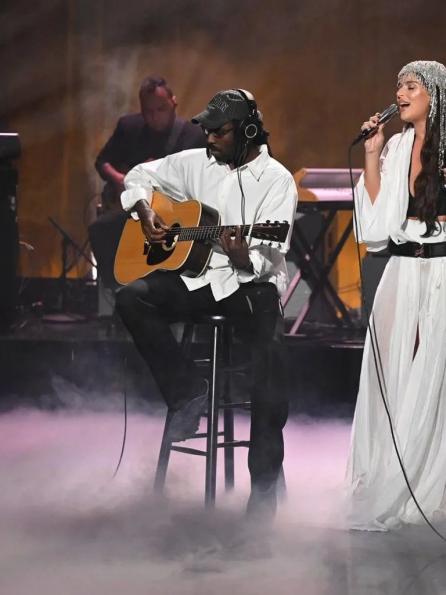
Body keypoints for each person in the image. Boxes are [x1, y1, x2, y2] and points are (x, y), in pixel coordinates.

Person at [114, 88, 297, 520]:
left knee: (270, 366)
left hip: (251, 285)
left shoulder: (277, 180)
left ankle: (263, 492)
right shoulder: (195, 162)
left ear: (247, 132)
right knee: (131, 298)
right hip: (197, 278)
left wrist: (241, 257)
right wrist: (144, 210)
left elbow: (266, 256)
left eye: (219, 132)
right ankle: (187, 391)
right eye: (208, 131)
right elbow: (138, 174)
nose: (210, 139)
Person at [346, 60, 446, 531]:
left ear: (435, 94)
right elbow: (377, 223)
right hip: (404, 269)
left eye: (411, 86)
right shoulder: (396, 145)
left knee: (441, 374)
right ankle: (389, 471)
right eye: (398, 85)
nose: (400, 93)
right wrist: (371, 155)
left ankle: (427, 482)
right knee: (392, 369)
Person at [89, 76, 205, 293]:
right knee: (100, 228)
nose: (154, 117)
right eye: (148, 111)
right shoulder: (129, 127)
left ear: (174, 103)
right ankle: (118, 288)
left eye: (161, 109)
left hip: (174, 213)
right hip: (134, 211)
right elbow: (102, 161)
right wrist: (119, 179)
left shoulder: (194, 136)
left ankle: (161, 291)